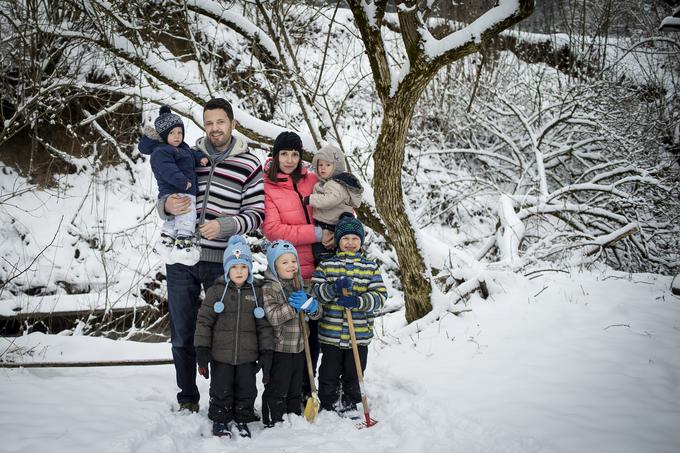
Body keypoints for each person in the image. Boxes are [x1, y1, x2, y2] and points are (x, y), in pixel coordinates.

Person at [157, 98, 265, 413]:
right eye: (209, 123)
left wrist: (225, 226)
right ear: (203, 125)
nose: (215, 128)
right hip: (180, 256)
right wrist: (165, 206)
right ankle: (188, 397)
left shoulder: (249, 164)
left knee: (222, 332)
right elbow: (164, 192)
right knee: (182, 332)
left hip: (223, 262)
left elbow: (256, 214)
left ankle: (224, 399)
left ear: (232, 123)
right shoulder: (188, 155)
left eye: (220, 122)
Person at [261, 131, 330, 399]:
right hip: (291, 271)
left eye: (295, 154)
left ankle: (308, 388)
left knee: (315, 333)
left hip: (321, 267)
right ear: (276, 155)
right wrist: (315, 233)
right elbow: (273, 229)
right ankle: (289, 390)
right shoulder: (268, 186)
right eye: (284, 154)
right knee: (292, 334)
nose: (289, 159)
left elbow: (338, 203)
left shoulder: (312, 180)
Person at [194, 236, 273, 438]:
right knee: (221, 389)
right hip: (221, 356)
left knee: (246, 389)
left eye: (243, 267)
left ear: (249, 268)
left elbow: (264, 325)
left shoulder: (256, 292)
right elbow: (204, 321)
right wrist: (202, 349)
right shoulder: (216, 292)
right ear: (227, 268)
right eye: (234, 266)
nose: (239, 271)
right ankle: (220, 419)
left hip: (248, 356)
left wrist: (266, 351)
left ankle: (242, 418)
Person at [311, 213, 386, 414]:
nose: (350, 243)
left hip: (359, 334)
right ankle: (328, 401)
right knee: (329, 372)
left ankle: (351, 401)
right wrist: (333, 288)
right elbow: (316, 292)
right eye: (345, 238)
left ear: (361, 241)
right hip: (331, 334)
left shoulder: (369, 267)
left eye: (355, 239)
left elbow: (380, 296)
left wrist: (359, 301)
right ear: (338, 241)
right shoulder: (327, 265)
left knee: (354, 372)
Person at [260, 240, 322, 427]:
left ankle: (293, 412)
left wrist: (311, 306)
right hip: (280, 347)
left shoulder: (301, 285)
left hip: (300, 346)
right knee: (279, 384)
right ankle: (274, 417)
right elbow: (273, 316)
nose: (291, 266)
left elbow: (318, 313)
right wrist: (294, 307)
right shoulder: (269, 288)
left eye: (293, 261)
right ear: (274, 265)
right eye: (284, 262)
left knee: (295, 383)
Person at [138, 105, 208, 265]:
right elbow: (167, 170)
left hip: (181, 190)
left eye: (180, 132)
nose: (177, 136)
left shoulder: (181, 148)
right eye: (172, 133)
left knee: (174, 220)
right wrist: (182, 182)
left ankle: (166, 241)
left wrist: (200, 158)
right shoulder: (162, 151)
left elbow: (190, 154)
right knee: (186, 217)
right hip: (179, 189)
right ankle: (184, 245)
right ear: (163, 135)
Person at [303, 144, 363, 265]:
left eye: (328, 165)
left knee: (323, 255)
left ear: (336, 167)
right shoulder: (328, 183)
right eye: (320, 165)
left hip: (330, 225)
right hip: (331, 223)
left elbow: (331, 199)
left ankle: (324, 271)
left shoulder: (335, 184)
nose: (323, 168)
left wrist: (311, 199)